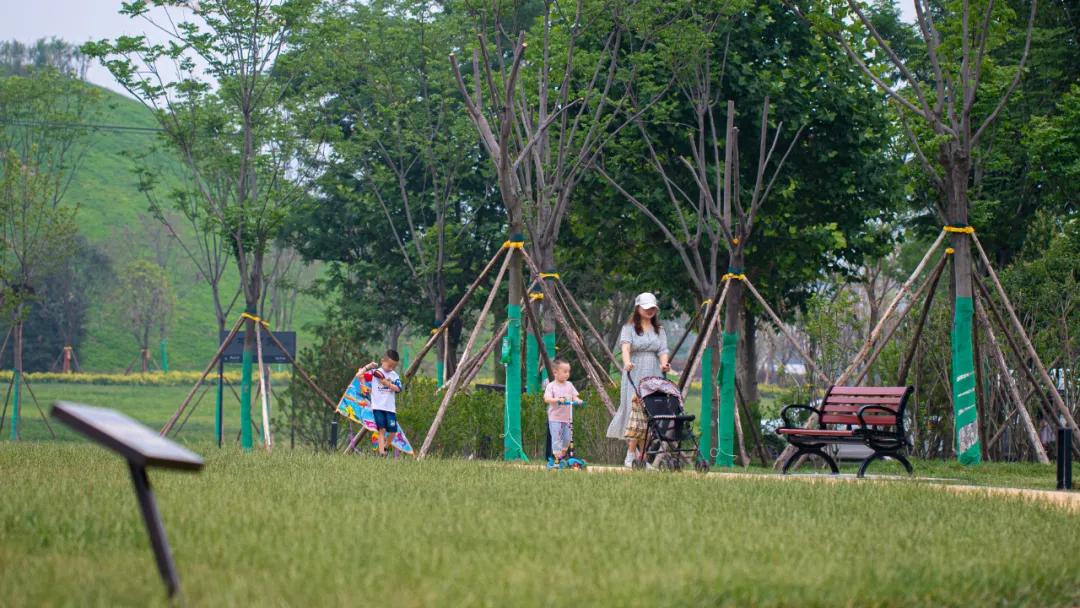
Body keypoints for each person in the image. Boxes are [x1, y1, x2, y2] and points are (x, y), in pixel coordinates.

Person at [606, 292, 670, 467]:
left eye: (652, 308)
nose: (650, 311)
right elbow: (625, 348)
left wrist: (664, 365)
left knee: (649, 416)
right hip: (634, 372)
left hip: (653, 374)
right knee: (635, 414)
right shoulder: (629, 328)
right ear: (638, 308)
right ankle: (630, 456)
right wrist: (626, 363)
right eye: (646, 308)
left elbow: (663, 350)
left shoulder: (660, 330)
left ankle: (641, 458)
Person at [543, 359, 580, 466]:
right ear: (555, 372)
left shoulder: (569, 385)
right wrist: (557, 399)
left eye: (568, 371)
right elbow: (546, 398)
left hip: (567, 418)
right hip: (555, 418)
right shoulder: (551, 386)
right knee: (556, 437)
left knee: (568, 438)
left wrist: (577, 400)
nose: (567, 374)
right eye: (565, 371)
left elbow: (574, 395)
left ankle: (562, 455)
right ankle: (556, 457)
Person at [369, 349, 403, 456]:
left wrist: (386, 383)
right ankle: (381, 453)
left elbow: (398, 389)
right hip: (378, 407)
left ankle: (386, 447)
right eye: (389, 366)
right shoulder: (375, 373)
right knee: (382, 429)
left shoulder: (394, 376)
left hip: (390, 409)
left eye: (394, 366)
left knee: (393, 430)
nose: (391, 368)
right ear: (382, 361)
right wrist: (368, 366)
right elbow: (360, 374)